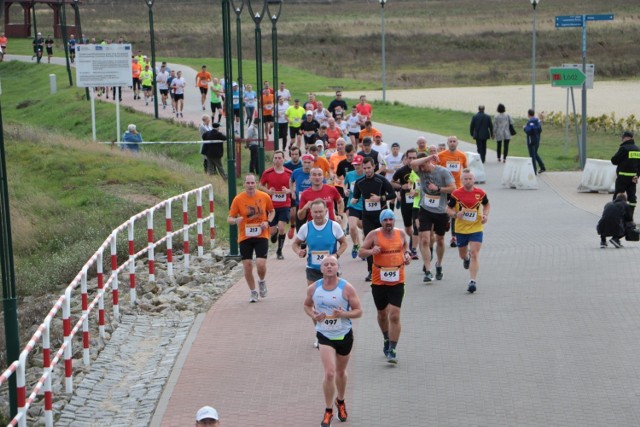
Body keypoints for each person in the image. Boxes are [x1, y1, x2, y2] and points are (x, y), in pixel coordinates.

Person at [303, 255, 362, 427]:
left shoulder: (347, 288)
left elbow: (359, 311)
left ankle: (340, 401)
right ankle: (328, 410)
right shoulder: (314, 288)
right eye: (326, 264)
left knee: (341, 373)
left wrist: (343, 314)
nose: (329, 267)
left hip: (344, 334)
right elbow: (306, 305)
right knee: (329, 373)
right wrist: (314, 314)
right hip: (325, 335)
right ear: (321, 269)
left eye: (332, 264)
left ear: (337, 268)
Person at [358, 209, 411, 363]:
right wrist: (371, 251)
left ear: (394, 221)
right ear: (381, 222)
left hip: (398, 279)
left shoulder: (400, 233)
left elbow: (405, 246)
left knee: (394, 314)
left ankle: (393, 349)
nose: (388, 222)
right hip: (379, 280)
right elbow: (361, 252)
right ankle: (386, 338)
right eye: (385, 220)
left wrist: (406, 255)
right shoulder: (374, 235)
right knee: (382, 314)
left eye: (391, 219)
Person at [227, 174, 275, 302]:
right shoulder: (238, 199)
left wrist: (268, 222)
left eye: (252, 183)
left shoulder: (264, 196)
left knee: (260, 263)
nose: (250, 185)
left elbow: (272, 211)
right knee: (247, 265)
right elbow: (229, 218)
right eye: (247, 183)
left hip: (261, 234)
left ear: (256, 183)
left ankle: (262, 281)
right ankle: (253, 291)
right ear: (244, 184)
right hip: (245, 236)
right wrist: (235, 220)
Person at [410, 154, 456, 282]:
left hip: (440, 211)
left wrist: (438, 188)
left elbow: (453, 188)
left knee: (440, 240)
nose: (422, 169)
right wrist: (428, 157)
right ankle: (428, 270)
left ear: (430, 162)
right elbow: (413, 163)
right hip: (425, 209)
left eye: (424, 165)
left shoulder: (443, 172)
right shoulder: (421, 171)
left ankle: (439, 264)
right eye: (421, 166)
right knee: (424, 239)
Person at [351, 157, 397, 281]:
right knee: (369, 242)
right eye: (364, 168)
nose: (367, 170)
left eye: (369, 168)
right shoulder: (359, 182)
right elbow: (355, 197)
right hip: (367, 216)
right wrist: (353, 200)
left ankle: (386, 266)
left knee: (383, 241)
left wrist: (380, 198)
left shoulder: (381, 180)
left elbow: (393, 194)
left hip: (382, 217)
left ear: (374, 167)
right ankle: (371, 271)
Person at [446, 169, 490, 293]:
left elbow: (486, 205)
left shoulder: (480, 193)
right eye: (465, 179)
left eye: (470, 178)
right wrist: (455, 214)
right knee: (462, 254)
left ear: (474, 179)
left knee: (475, 253)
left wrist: (485, 215)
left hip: (476, 228)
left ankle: (472, 281)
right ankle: (466, 259)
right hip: (461, 229)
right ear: (461, 180)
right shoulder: (456, 194)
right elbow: (448, 209)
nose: (468, 181)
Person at [293, 199, 347, 285]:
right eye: (315, 212)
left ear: (326, 211)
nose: (318, 215)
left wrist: (336, 255)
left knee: (331, 296)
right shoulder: (305, 227)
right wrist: (298, 251)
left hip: (331, 268)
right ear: (311, 212)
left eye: (321, 212)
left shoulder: (334, 226)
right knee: (313, 295)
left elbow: (344, 243)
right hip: (312, 268)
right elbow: (295, 244)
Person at [260, 151, 293, 259]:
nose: (277, 160)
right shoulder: (267, 173)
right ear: (273, 159)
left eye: (279, 158)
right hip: (271, 206)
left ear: (283, 159)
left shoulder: (289, 173)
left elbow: (294, 188)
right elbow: (260, 186)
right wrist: (268, 191)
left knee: (282, 227)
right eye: (276, 158)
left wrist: (288, 190)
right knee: (273, 230)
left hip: (285, 204)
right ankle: (274, 234)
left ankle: (279, 251)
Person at [438, 135, 468, 247]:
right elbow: (435, 170)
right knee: (445, 211)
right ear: (447, 143)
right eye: (450, 141)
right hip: (445, 188)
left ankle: (454, 237)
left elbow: (465, 170)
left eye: (454, 141)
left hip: (457, 188)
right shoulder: (441, 155)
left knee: (455, 212)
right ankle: (446, 222)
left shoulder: (462, 156)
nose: (452, 143)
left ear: (457, 143)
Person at [391, 148, 419, 258]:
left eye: (414, 158)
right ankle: (413, 238)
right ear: (406, 159)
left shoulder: (420, 169)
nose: (412, 160)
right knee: (408, 227)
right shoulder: (401, 171)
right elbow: (392, 182)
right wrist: (401, 187)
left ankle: (413, 249)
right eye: (410, 158)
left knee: (417, 225)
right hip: (405, 201)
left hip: (417, 202)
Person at [611, 131, 640, 219]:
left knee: (618, 196)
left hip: (622, 177)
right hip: (633, 179)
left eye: (622, 138)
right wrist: (637, 175)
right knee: (632, 198)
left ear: (626, 138)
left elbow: (614, 160)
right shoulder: (638, 149)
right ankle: (630, 216)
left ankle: (616, 215)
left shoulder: (624, 148)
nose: (621, 139)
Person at [344, 154, 365, 259]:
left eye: (359, 164)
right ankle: (356, 244)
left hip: (365, 206)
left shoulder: (367, 175)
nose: (357, 166)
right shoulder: (349, 175)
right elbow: (345, 185)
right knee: (352, 227)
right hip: (353, 204)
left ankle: (364, 249)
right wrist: (346, 191)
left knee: (364, 228)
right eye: (355, 164)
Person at [523, 109, 546, 175]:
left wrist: (524, 128)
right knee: (535, 153)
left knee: (532, 156)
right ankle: (542, 167)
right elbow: (540, 130)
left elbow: (528, 131)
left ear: (528, 114)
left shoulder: (529, 122)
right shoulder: (537, 121)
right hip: (537, 140)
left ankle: (534, 170)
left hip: (531, 141)